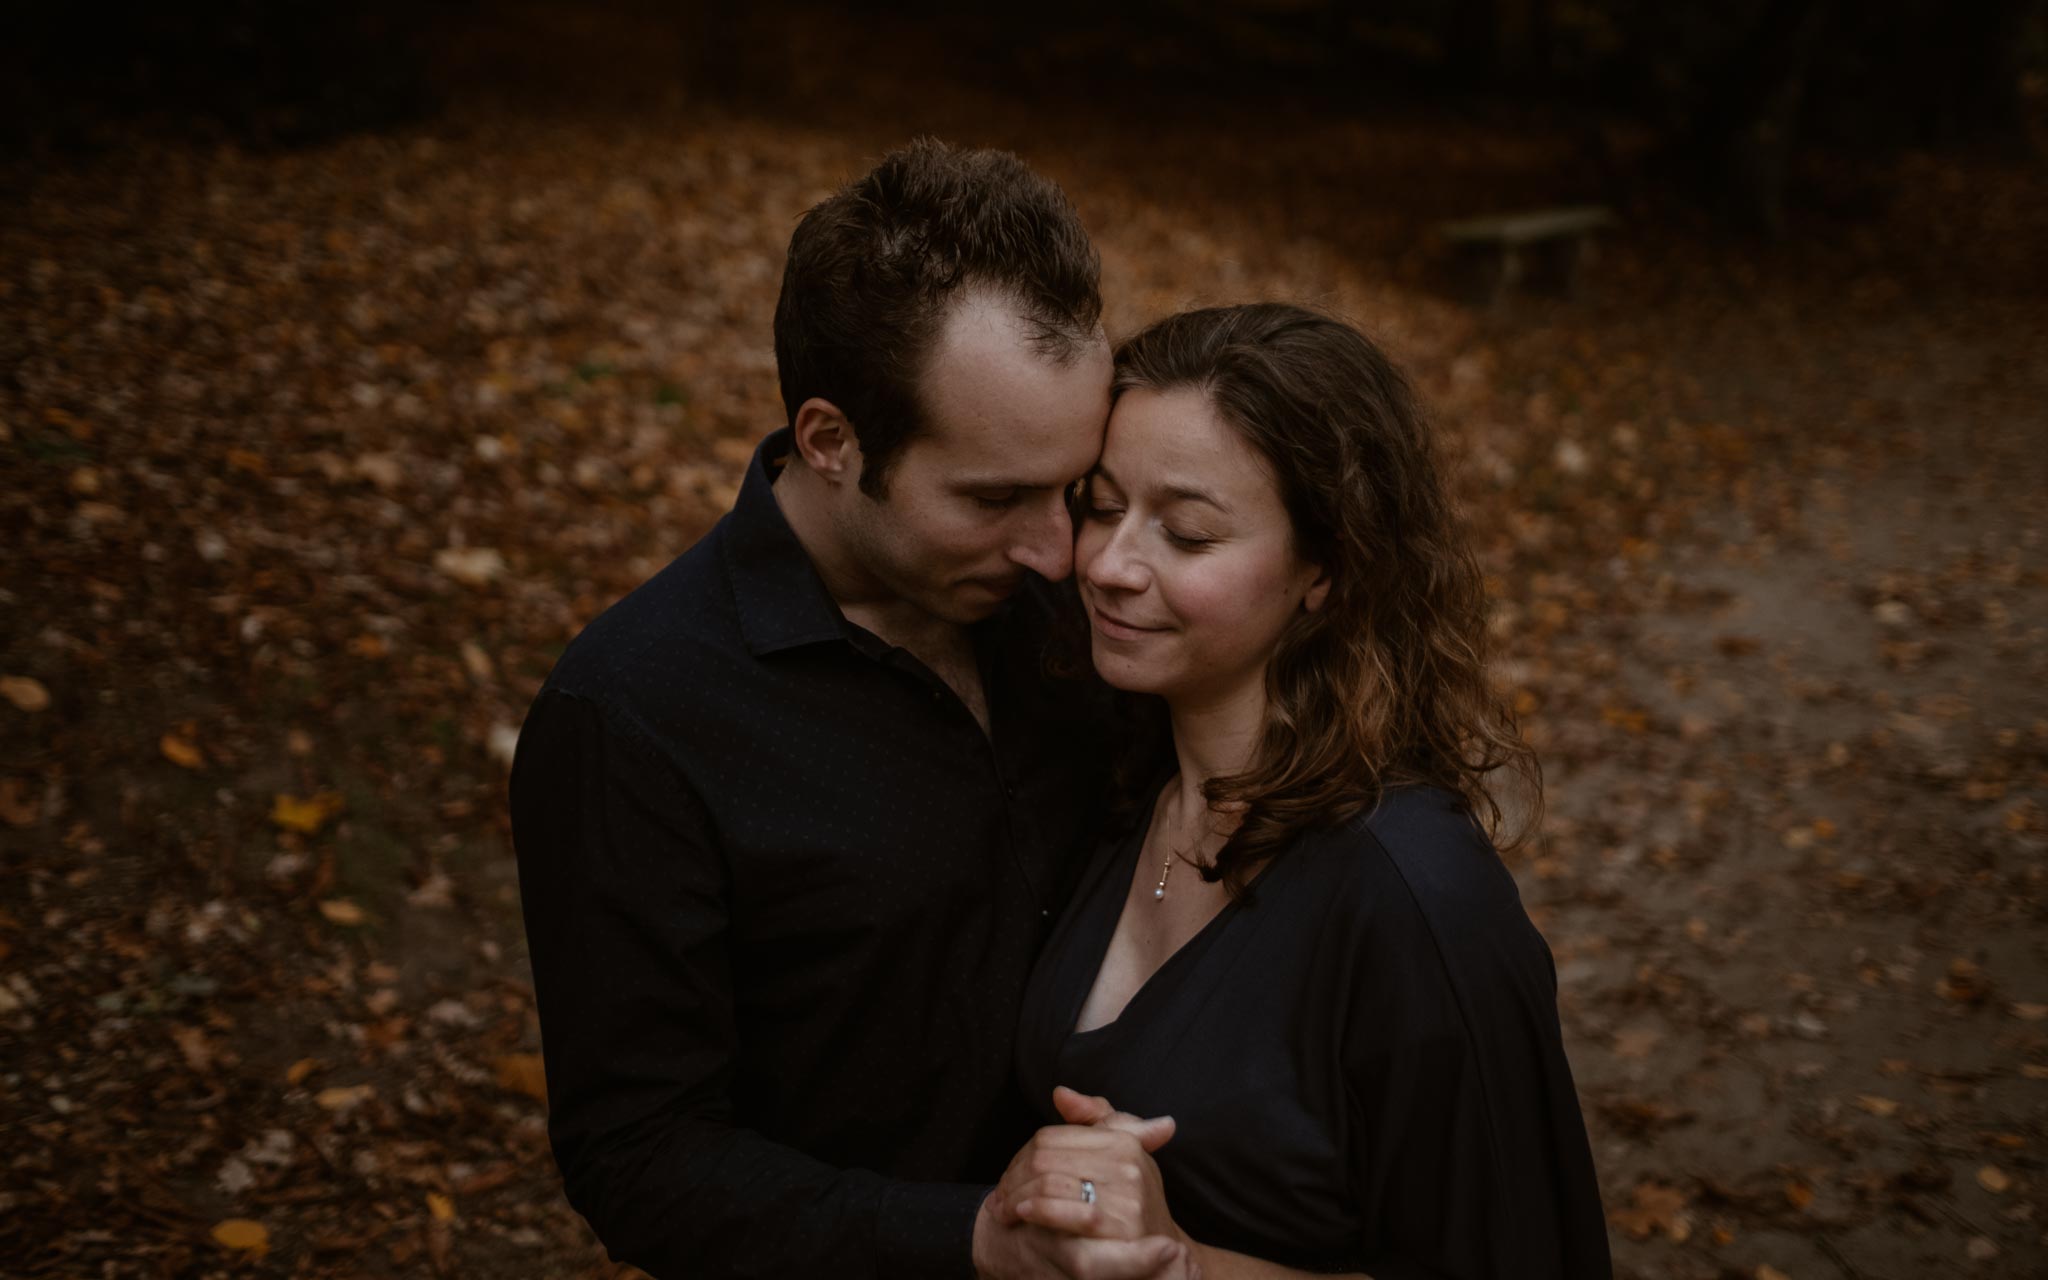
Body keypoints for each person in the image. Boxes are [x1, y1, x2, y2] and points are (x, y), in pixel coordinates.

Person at [509, 140, 1190, 1280]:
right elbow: (637, 1153)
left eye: (1071, 488)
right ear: (831, 442)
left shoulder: (1080, 607)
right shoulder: (629, 716)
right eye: (991, 498)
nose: (1058, 550)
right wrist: (969, 1238)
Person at [999, 304, 1612, 1277]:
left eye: (1188, 534)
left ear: (1324, 567)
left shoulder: (1415, 896)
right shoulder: (1122, 784)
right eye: (1104, 507)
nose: (1109, 566)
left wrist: (1185, 1266)